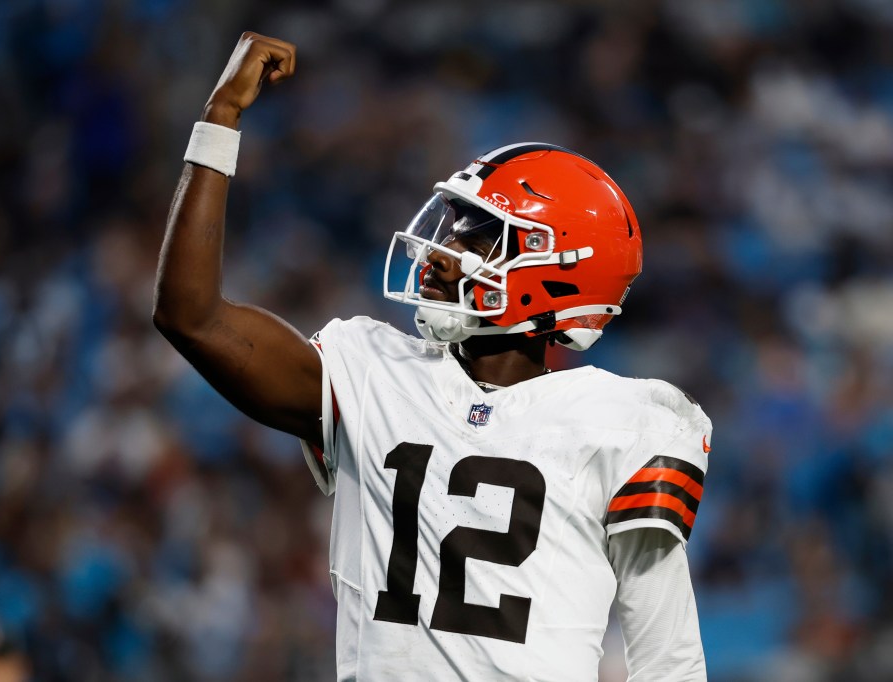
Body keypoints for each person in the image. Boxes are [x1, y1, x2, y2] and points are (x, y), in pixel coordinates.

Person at [154, 32, 711, 682]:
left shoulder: (626, 424)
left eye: (479, 236)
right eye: (449, 228)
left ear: (557, 271)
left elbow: (668, 659)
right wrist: (219, 121)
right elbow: (190, 316)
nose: (440, 251)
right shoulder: (372, 371)